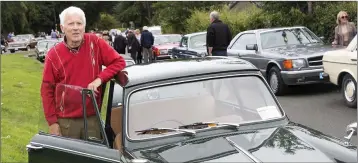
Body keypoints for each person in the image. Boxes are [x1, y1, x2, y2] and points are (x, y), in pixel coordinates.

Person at [40, 6, 126, 140]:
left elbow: (119, 62)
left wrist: (99, 79)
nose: (75, 28)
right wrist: (52, 123)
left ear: (84, 26)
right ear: (62, 28)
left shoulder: (95, 43)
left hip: (92, 119)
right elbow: (47, 90)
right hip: (66, 122)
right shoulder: (53, 55)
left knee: (93, 158)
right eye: (71, 23)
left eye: (79, 23)